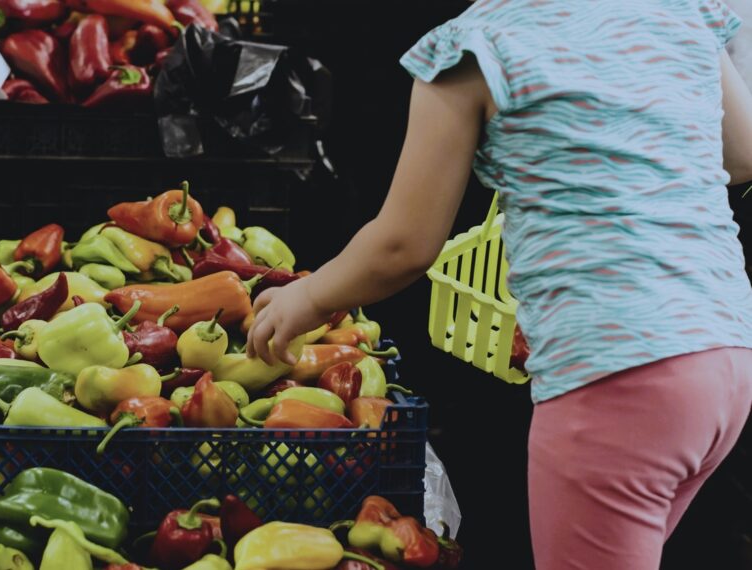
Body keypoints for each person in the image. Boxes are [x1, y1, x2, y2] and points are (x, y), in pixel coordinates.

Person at [247, 0, 752, 567]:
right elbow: (741, 152)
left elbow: (403, 245)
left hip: (615, 372)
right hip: (723, 356)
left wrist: (310, 296)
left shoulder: (473, 48)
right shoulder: (676, 9)